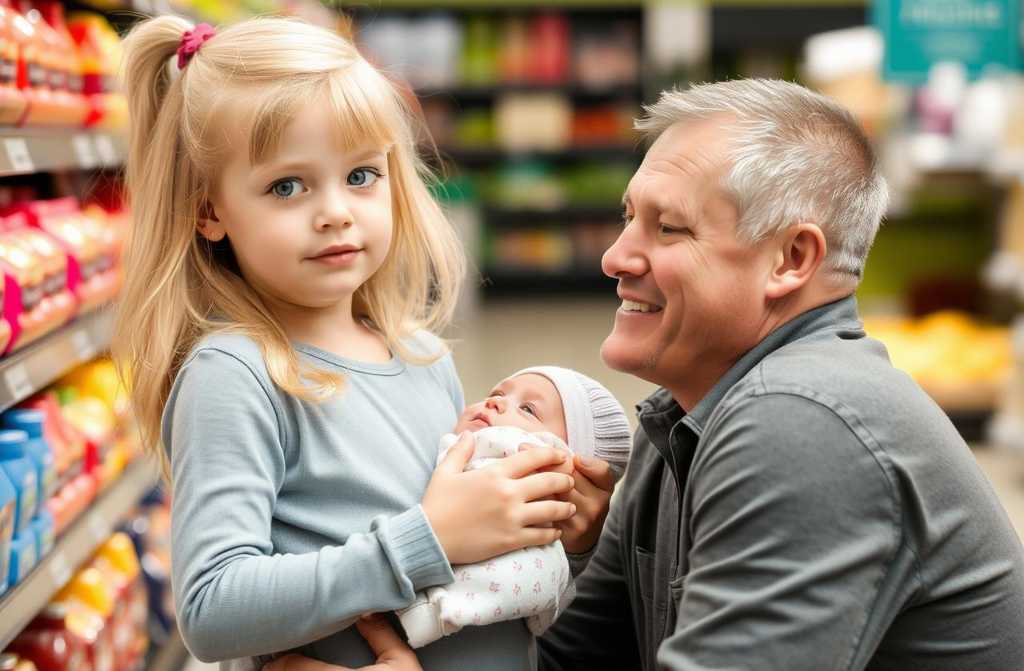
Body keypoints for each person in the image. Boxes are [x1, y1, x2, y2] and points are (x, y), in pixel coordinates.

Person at [273, 79, 1024, 671]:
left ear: (791, 260)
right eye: (629, 217)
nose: (615, 256)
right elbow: (571, 662)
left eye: (669, 228)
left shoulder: (798, 419)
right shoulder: (684, 424)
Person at [112, 15, 614, 671]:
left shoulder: (422, 358)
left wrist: (560, 540)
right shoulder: (237, 374)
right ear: (209, 210)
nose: (336, 211)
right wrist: (424, 537)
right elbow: (212, 607)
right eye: (287, 186)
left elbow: (471, 575)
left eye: (360, 175)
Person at [398, 366, 631, 648]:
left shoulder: (519, 451)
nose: (495, 401)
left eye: (528, 410)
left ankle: (439, 611)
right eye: (497, 393)